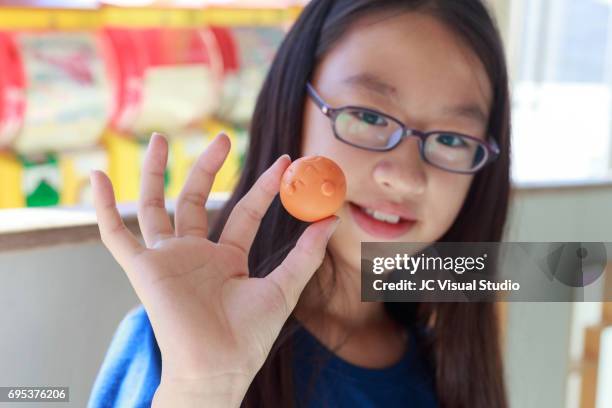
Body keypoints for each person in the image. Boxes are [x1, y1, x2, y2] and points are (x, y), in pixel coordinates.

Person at [88, 0, 511, 407]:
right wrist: (203, 392)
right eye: (368, 117)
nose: (404, 176)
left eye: (453, 140)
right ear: (291, 106)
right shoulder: (175, 345)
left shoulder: (447, 364)